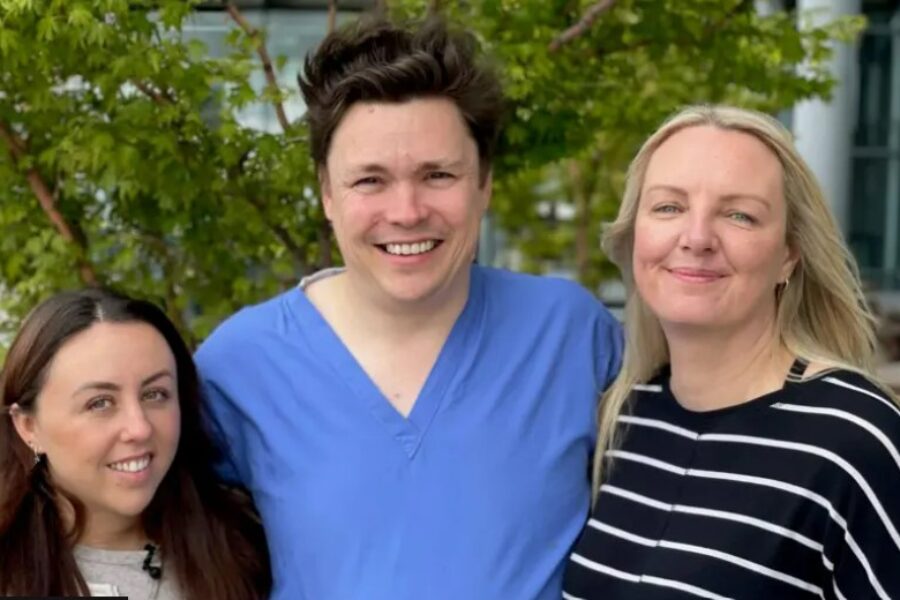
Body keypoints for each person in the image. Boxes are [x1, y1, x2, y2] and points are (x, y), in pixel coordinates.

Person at [194, 15, 622, 600]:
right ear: (325, 192)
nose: (407, 210)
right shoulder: (236, 367)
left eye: (438, 174)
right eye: (370, 180)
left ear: (484, 183)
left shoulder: (573, 337)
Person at [562, 105, 900, 599]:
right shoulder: (626, 418)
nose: (696, 238)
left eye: (739, 214)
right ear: (635, 235)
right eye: (668, 207)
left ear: (789, 254)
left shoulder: (853, 440)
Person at [0, 289, 271, 599]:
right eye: (100, 403)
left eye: (155, 394)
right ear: (28, 426)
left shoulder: (246, 542)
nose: (139, 428)